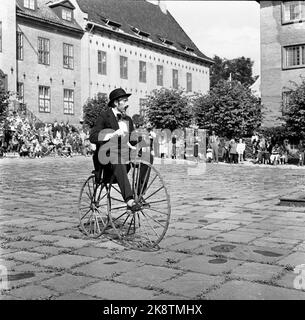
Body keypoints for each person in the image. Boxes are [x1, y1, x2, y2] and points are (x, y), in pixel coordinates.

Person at [89, 88, 141, 210]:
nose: (127, 103)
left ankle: (139, 194)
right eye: (124, 101)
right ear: (116, 103)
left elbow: (133, 139)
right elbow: (93, 136)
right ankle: (129, 199)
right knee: (117, 158)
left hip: (124, 153)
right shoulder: (104, 116)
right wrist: (111, 135)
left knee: (147, 157)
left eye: (127, 100)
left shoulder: (127, 119)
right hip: (106, 156)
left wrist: (139, 139)